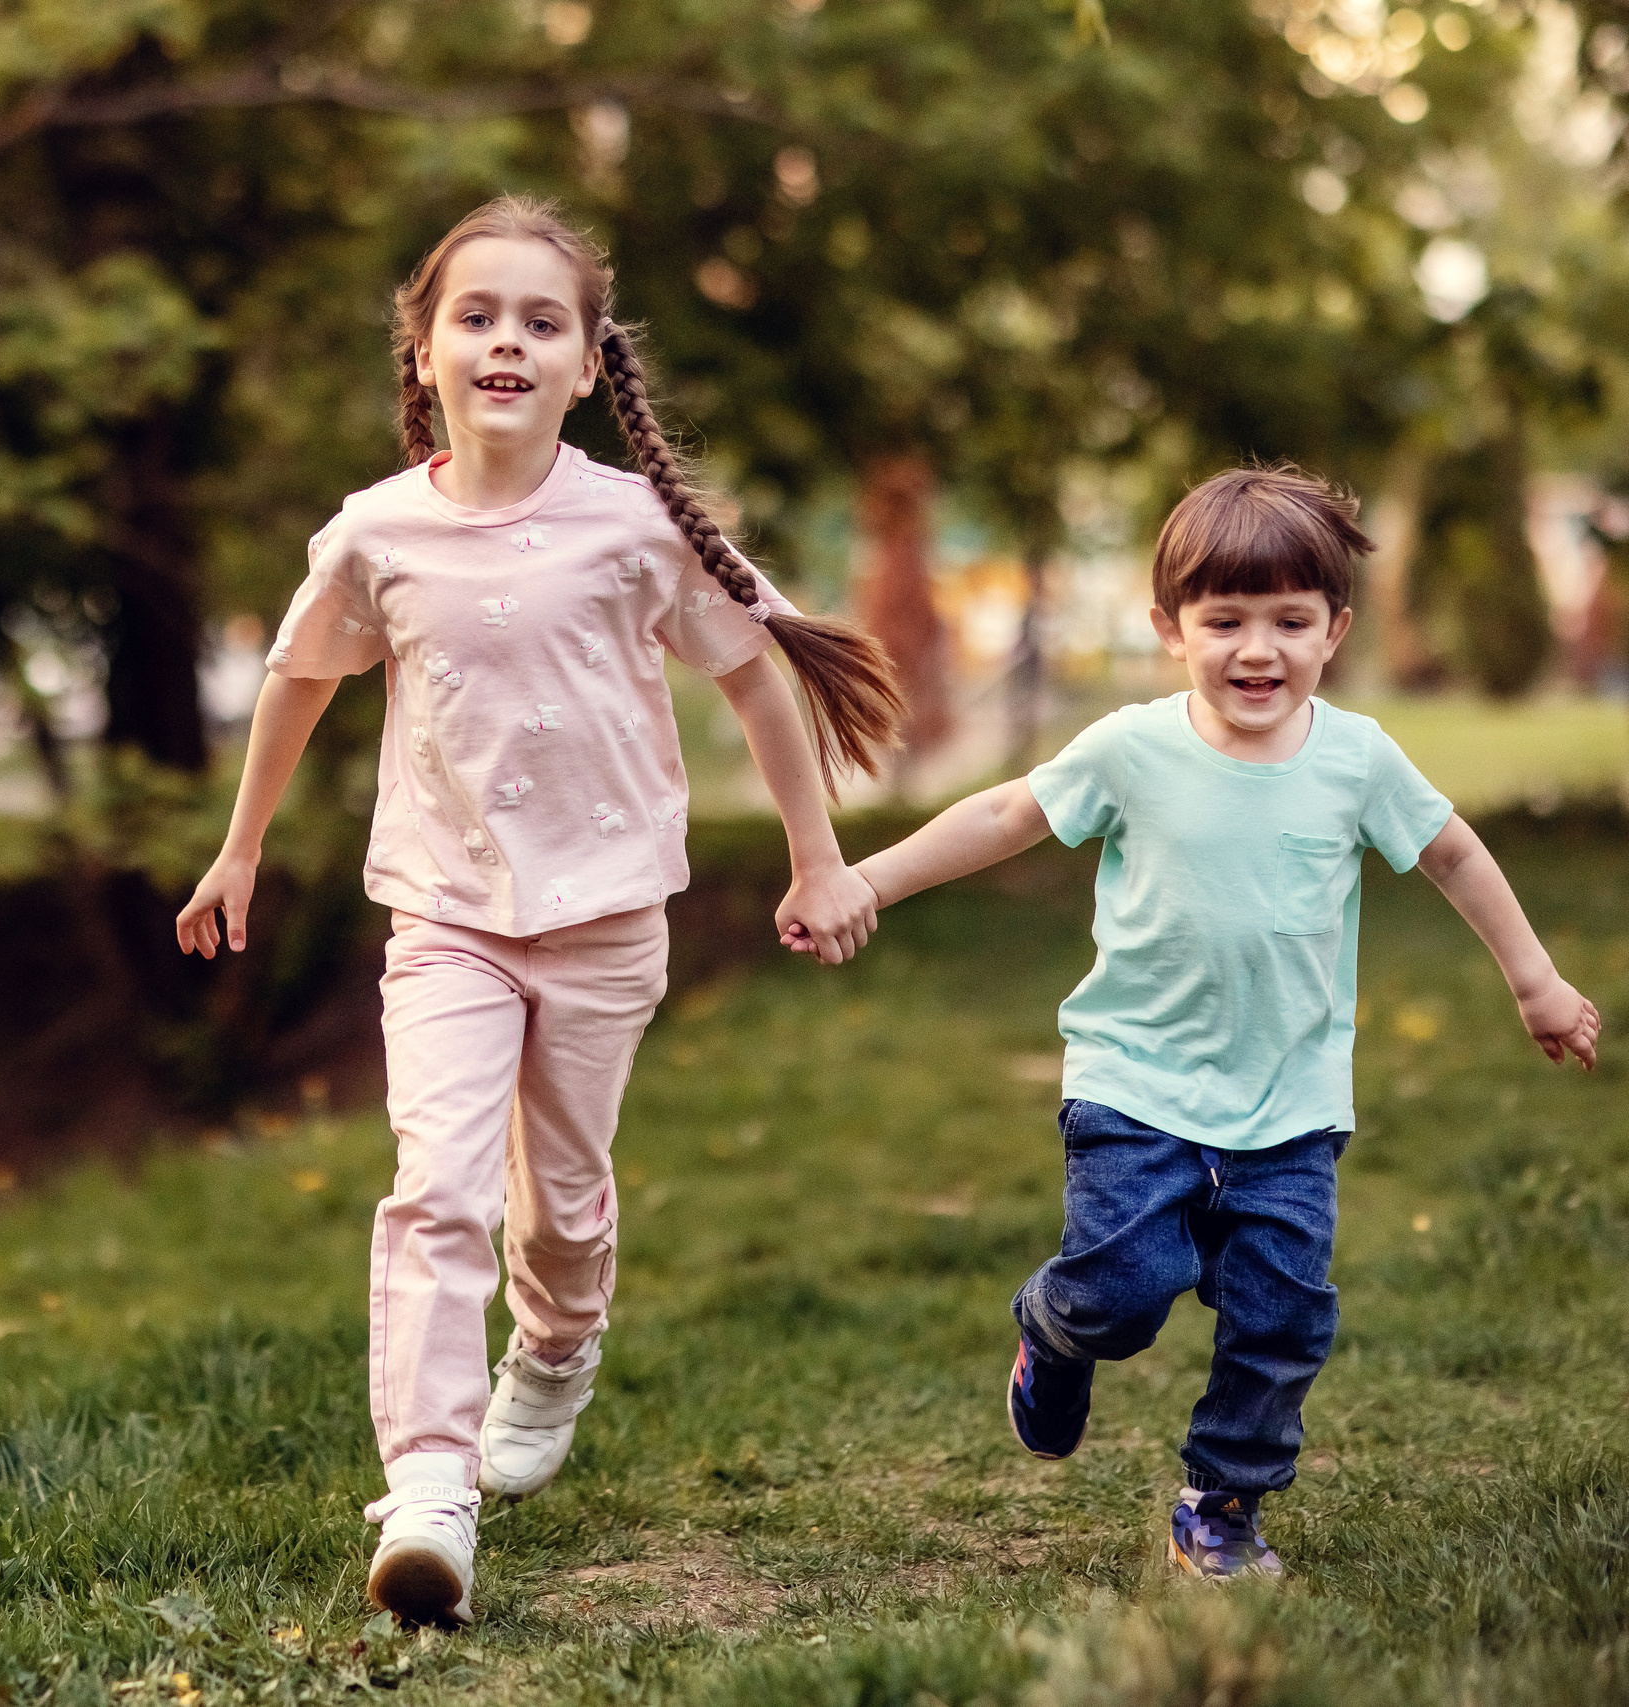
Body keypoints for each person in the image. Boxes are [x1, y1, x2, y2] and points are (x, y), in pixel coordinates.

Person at [173, 197, 903, 1626]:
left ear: (585, 366)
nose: (507, 337)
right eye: (478, 314)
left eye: (541, 320)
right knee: (433, 1181)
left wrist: (820, 858)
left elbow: (757, 673)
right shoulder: (376, 533)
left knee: (557, 1203)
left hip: (606, 915)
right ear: (428, 352)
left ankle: (558, 1347)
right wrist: (240, 847)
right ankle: (430, 1485)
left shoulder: (633, 527)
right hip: (443, 911)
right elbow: (300, 676)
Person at [843, 466, 1603, 1581]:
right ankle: (1053, 1328)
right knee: (1119, 1296)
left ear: (1335, 630)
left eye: (1290, 621)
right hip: (1135, 1089)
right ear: (1169, 628)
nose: (1260, 650)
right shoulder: (1130, 750)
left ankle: (1221, 1503)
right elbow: (1008, 813)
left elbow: (1450, 851)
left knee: (1283, 1322)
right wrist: (868, 880)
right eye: (1226, 621)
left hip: (1290, 1111)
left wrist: (1533, 978)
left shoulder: (1355, 759)